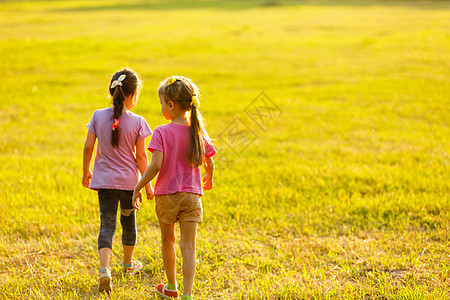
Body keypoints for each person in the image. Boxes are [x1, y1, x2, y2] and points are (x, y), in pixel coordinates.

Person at [132, 75, 216, 300]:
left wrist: (139, 186)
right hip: (192, 196)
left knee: (168, 240)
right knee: (189, 247)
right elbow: (211, 161)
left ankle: (171, 286)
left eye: (161, 103)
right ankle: (188, 295)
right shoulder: (196, 131)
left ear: (170, 105)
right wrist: (209, 176)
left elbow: (156, 165)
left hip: (167, 196)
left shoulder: (161, 132)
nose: (161, 107)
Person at [82, 68, 154, 293]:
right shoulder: (138, 121)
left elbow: (87, 147)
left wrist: (87, 171)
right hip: (128, 186)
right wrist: (148, 186)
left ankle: (104, 270)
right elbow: (142, 157)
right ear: (133, 96)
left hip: (104, 184)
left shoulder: (97, 116)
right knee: (128, 222)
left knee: (107, 224)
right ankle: (127, 264)